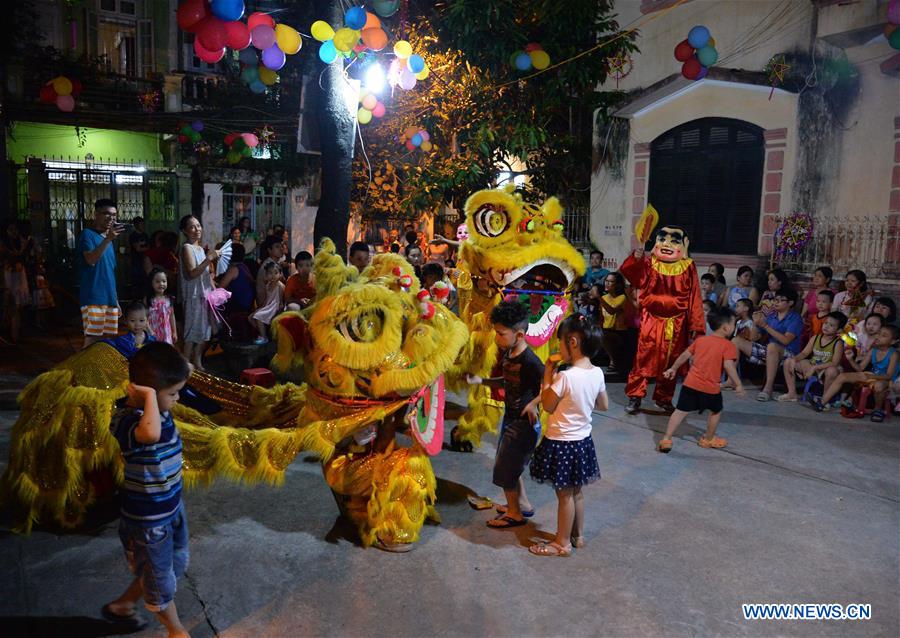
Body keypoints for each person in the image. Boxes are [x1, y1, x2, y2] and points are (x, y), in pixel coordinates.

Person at [103, 342, 192, 638]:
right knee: (159, 581)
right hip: (148, 524)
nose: (177, 399)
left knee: (171, 566)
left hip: (171, 510)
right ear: (145, 394)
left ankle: (123, 605)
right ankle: (175, 630)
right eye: (172, 394)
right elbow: (150, 434)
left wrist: (164, 386)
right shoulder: (127, 421)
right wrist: (150, 396)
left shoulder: (159, 410)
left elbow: (183, 372)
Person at [528, 315, 608, 557]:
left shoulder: (566, 377)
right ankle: (578, 536)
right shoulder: (597, 373)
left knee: (564, 496)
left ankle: (561, 543)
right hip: (583, 442)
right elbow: (603, 405)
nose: (559, 348)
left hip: (562, 443)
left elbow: (549, 405)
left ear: (572, 342)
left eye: (560, 342)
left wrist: (547, 375)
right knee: (576, 492)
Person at [467, 301, 543, 529]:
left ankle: (514, 513)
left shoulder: (531, 361)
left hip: (523, 423)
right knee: (511, 464)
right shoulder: (510, 353)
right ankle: (521, 505)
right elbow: (508, 380)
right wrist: (483, 381)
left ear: (519, 334)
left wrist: (534, 404)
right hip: (510, 418)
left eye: (501, 334)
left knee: (505, 468)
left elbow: (553, 386)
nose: (496, 338)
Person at [621, 226, 706, 414]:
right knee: (643, 359)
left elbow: (694, 295)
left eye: (674, 241)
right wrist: (636, 258)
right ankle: (635, 396)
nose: (667, 244)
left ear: (683, 245)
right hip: (651, 320)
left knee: (672, 362)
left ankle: (664, 398)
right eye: (663, 239)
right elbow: (634, 276)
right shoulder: (650, 262)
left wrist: (697, 326)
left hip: (677, 323)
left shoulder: (688, 265)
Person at [657, 307, 745, 453]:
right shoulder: (728, 345)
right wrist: (739, 384)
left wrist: (673, 368)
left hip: (690, 384)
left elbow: (685, 355)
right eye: (733, 324)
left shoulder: (701, 341)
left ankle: (666, 438)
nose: (734, 327)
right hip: (710, 388)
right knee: (716, 411)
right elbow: (729, 366)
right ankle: (708, 439)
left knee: (679, 412)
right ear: (725, 327)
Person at [815, 325, 899, 422]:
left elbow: (889, 376)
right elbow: (860, 368)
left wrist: (871, 376)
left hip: (885, 380)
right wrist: (851, 359)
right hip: (870, 376)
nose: (878, 336)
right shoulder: (873, 350)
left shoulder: (893, 354)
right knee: (842, 376)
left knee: (879, 385)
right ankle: (821, 403)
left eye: (883, 335)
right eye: (879, 333)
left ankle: (877, 410)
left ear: (892, 341)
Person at [732, 288, 804, 402]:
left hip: (789, 354)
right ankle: (732, 379)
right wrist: (756, 323)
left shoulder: (795, 318)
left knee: (772, 346)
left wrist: (765, 326)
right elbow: (753, 338)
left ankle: (768, 388)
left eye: (780, 300)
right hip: (770, 353)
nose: (776, 302)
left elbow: (786, 341)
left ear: (790, 303)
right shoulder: (771, 317)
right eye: (775, 300)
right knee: (736, 341)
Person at [78, 199, 122, 348]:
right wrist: (108, 239)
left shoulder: (109, 241)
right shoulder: (87, 234)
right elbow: (91, 259)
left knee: (107, 342)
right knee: (92, 340)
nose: (111, 218)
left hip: (109, 298)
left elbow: (110, 273)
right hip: (93, 296)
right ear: (96, 214)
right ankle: (83, 370)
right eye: (106, 214)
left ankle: (98, 371)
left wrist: (116, 301)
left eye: (114, 215)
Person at [777, 311, 846, 402]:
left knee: (832, 370)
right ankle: (792, 393)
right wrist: (794, 359)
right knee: (788, 361)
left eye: (831, 325)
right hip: (814, 365)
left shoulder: (838, 343)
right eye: (825, 323)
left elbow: (834, 363)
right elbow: (804, 353)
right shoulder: (815, 338)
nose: (826, 326)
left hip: (826, 368)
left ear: (839, 330)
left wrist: (815, 368)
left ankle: (825, 399)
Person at [179, 215, 219, 371]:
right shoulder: (186, 248)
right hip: (193, 296)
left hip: (205, 295)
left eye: (198, 225)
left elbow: (206, 275)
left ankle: (197, 361)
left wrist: (216, 291)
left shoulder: (200, 249)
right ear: (185, 231)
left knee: (203, 331)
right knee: (191, 332)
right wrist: (208, 259)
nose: (197, 229)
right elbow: (192, 273)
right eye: (192, 227)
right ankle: (185, 365)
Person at [2, 221, 31, 343]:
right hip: (9, 276)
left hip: (19, 276)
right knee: (10, 305)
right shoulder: (4, 244)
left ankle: (15, 334)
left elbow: (24, 256)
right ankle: (11, 334)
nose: (14, 232)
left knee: (17, 306)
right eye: (11, 229)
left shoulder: (21, 242)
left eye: (15, 229)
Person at [598, 272, 633, 375]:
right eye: (606, 281)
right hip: (606, 329)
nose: (607, 284)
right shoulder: (604, 297)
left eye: (611, 282)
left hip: (619, 332)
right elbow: (602, 316)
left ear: (617, 284)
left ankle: (613, 361)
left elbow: (611, 311)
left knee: (604, 335)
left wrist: (598, 298)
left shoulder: (622, 297)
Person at [250, 261, 284, 344]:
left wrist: (279, 310)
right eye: (270, 273)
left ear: (280, 274)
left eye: (275, 273)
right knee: (251, 317)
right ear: (266, 275)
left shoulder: (280, 286)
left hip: (275, 307)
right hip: (268, 306)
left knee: (258, 316)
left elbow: (282, 300)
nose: (273, 276)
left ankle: (264, 337)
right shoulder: (268, 285)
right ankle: (263, 332)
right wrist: (261, 307)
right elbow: (267, 299)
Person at [146, 268, 177, 345]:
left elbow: (172, 316)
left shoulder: (169, 299)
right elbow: (144, 317)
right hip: (152, 332)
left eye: (164, 281)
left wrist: (174, 332)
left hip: (166, 332)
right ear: (151, 283)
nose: (161, 284)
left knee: (166, 352)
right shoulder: (149, 299)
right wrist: (150, 331)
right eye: (157, 282)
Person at [256, 236, 285, 306]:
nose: (281, 249)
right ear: (269, 250)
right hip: (267, 304)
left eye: (281, 246)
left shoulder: (273, 263)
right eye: (277, 247)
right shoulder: (269, 267)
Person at [129, 217, 149, 298]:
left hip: (145, 260)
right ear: (136, 225)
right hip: (136, 261)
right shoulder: (133, 236)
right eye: (141, 224)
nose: (143, 226)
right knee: (137, 281)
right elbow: (138, 249)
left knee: (145, 281)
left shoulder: (145, 235)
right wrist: (146, 248)